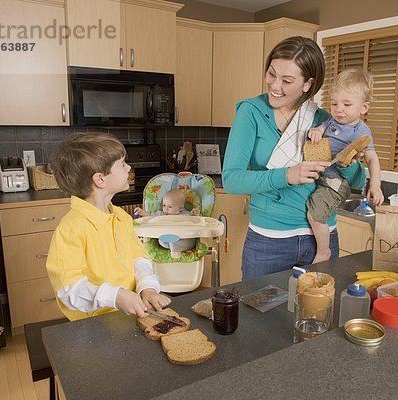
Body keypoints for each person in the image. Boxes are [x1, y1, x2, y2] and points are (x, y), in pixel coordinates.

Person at [222, 36, 367, 280]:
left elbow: (355, 181)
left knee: (317, 313)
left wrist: (350, 160)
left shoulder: (325, 120)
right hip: (269, 241)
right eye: (272, 74)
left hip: (322, 236)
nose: (275, 85)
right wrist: (287, 175)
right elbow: (232, 180)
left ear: (308, 84)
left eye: (287, 80)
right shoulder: (252, 112)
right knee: (259, 317)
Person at [46, 132, 171, 321]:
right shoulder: (71, 229)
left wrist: (148, 288)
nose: (129, 167)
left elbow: (138, 257)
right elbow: (69, 289)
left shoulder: (121, 217)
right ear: (100, 180)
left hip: (130, 316)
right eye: (122, 164)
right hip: (93, 324)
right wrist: (116, 296)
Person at [306, 69, 384, 263]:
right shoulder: (333, 120)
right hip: (322, 175)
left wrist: (375, 185)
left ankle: (323, 251)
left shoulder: (361, 131)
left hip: (335, 182)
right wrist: (315, 131)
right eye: (334, 103)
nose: (338, 109)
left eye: (346, 104)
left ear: (364, 107)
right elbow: (321, 128)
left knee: (314, 214)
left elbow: (373, 159)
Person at [133, 189, 200, 217]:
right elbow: (151, 215)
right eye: (164, 205)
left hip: (183, 238)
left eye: (170, 206)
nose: (166, 209)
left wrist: (195, 215)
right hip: (168, 236)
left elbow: (195, 221)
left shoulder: (186, 215)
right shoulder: (162, 214)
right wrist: (142, 212)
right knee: (161, 241)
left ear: (181, 208)